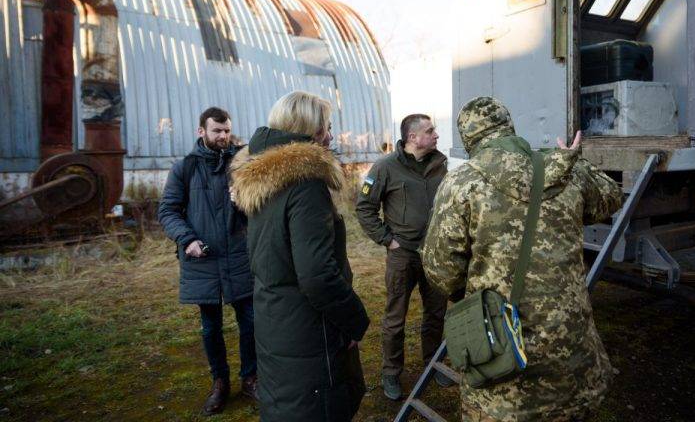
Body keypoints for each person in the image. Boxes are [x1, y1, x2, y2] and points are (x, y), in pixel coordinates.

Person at [422, 97, 624, 422]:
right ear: (509, 126)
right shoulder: (565, 170)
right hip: (572, 360)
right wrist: (575, 160)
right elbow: (611, 197)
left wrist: (473, 292)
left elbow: (441, 271)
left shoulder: (461, 185)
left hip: (501, 359)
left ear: (468, 139)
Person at [230, 91, 369, 422]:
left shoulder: (263, 179)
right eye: (327, 127)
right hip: (308, 326)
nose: (332, 136)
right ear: (311, 129)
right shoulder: (305, 184)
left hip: (275, 317)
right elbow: (317, 276)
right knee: (317, 406)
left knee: (286, 402)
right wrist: (354, 320)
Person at [157, 107, 258, 416]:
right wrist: (186, 239)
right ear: (202, 131)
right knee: (210, 327)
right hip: (203, 260)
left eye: (227, 130)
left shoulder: (242, 165)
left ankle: (251, 378)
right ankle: (220, 383)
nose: (224, 136)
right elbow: (167, 211)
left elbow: (258, 208)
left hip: (239, 256)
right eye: (217, 131)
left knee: (251, 322)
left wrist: (241, 202)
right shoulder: (184, 168)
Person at [355, 114, 449, 400]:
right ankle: (391, 372)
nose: (436, 135)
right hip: (402, 255)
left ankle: (433, 363)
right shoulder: (385, 167)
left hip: (433, 253)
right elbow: (364, 208)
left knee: (436, 313)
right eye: (430, 131)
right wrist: (387, 240)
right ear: (412, 138)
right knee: (395, 317)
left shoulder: (440, 164)